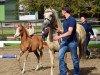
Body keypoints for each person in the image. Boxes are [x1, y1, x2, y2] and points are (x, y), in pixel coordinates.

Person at [53, 6, 79, 75]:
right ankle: (63, 73)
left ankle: (76, 73)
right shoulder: (65, 20)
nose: (61, 12)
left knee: (74, 59)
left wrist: (59, 37)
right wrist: (60, 31)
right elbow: (65, 31)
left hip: (72, 42)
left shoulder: (72, 20)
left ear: (65, 11)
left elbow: (70, 32)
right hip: (64, 42)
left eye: (62, 11)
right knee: (60, 57)